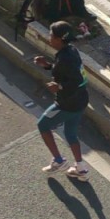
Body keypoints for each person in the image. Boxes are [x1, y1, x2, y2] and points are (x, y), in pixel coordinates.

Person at [33, 21, 90, 182]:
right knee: (70, 133)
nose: (49, 38)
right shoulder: (70, 51)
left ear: (59, 39)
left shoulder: (65, 57)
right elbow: (66, 72)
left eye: (51, 35)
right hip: (80, 101)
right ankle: (80, 168)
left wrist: (59, 87)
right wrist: (47, 65)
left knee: (43, 125)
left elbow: (76, 81)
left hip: (66, 104)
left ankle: (59, 161)